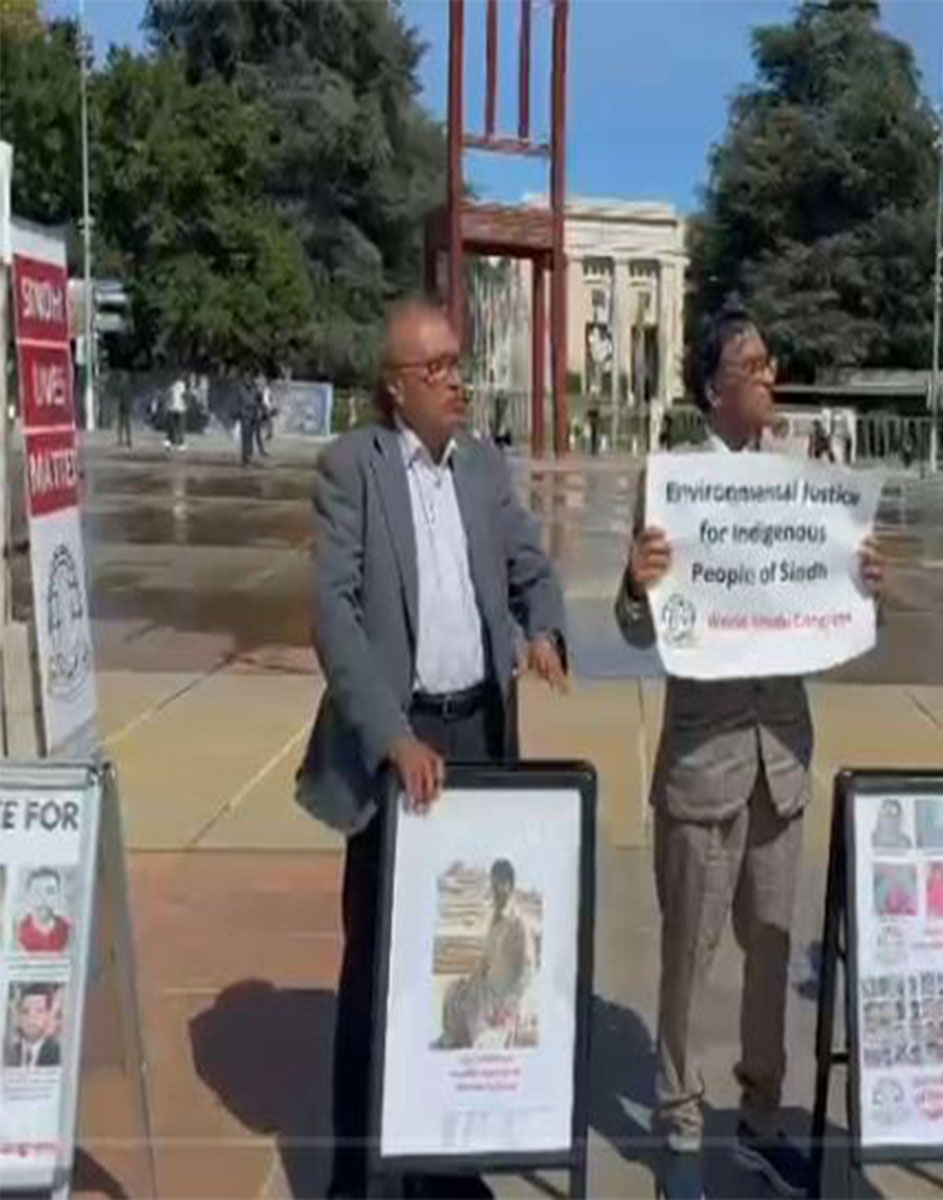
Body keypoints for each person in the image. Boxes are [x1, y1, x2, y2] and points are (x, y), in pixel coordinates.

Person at [295, 298, 569, 1200]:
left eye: (459, 361)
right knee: (378, 968)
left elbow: (530, 566)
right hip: (395, 745)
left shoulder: (484, 467)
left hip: (477, 737)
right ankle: (354, 1173)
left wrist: (545, 631)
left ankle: (444, 1167)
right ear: (395, 386)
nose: (458, 378)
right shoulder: (352, 471)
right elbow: (335, 619)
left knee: (461, 960)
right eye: (439, 367)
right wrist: (393, 738)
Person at [617, 301, 884, 1200]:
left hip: (782, 755)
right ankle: (680, 1128)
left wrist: (860, 580)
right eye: (755, 365)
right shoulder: (673, 484)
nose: (771, 375)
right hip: (705, 760)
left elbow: (831, 607)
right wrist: (634, 583)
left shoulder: (801, 480)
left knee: (772, 948)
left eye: (771, 362)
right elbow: (633, 625)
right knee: (689, 955)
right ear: (713, 389)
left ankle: (763, 1120)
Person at [437, 858, 531, 1051]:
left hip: (502, 997)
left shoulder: (518, 924)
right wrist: (470, 980)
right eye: (493, 883)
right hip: (485, 989)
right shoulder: (494, 921)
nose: (495, 889)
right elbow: (486, 960)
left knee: (480, 1028)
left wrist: (511, 1001)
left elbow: (527, 970)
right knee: (453, 994)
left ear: (510, 886)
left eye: (500, 884)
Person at [4, 985, 62, 1069]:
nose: (31, 1018)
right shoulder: (8, 1054)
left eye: (39, 1011)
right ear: (19, 1017)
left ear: (48, 1015)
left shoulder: (58, 1055)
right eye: (25, 1011)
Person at [16, 867, 71, 954]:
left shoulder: (70, 931)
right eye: (37, 892)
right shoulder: (17, 932)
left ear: (58, 895)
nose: (43, 898)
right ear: (28, 896)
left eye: (50, 891)